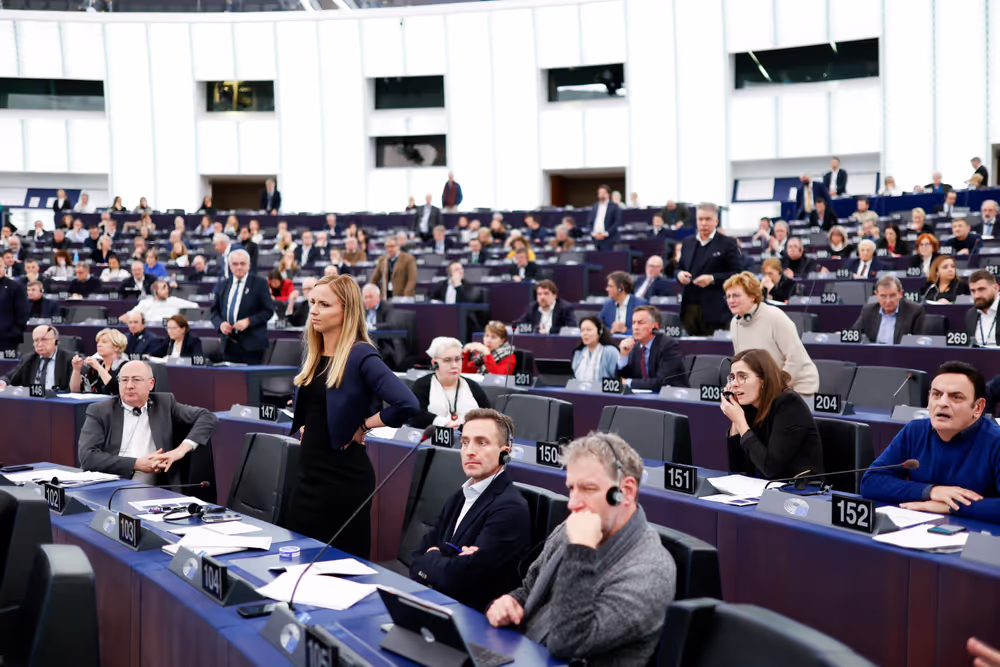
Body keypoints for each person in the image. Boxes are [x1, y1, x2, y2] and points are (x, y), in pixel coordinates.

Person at [486, 433, 675, 666]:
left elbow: (568, 642)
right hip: (524, 653)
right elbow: (529, 588)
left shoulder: (651, 572)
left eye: (587, 489)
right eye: (571, 488)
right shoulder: (570, 528)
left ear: (625, 492)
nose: (572, 503)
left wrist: (580, 552)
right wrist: (511, 603)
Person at [287, 275, 418, 557]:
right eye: (312, 302)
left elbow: (407, 403)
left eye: (324, 304)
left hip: (343, 482)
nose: (314, 310)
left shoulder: (361, 354)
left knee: (341, 574)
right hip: (307, 476)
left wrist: (363, 425)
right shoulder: (314, 352)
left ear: (346, 310)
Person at [410, 408, 529, 612]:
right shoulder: (458, 497)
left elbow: (460, 580)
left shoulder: (510, 508)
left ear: (504, 454)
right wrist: (448, 562)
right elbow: (415, 560)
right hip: (438, 606)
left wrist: (434, 557)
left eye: (481, 442)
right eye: (465, 442)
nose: (469, 451)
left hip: (474, 621)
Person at [861, 361, 1000, 522]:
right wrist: (931, 491)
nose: (942, 403)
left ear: (977, 408)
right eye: (936, 394)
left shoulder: (995, 442)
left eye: (956, 397)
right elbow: (871, 481)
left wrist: (951, 507)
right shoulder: (914, 431)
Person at [77, 360, 218, 484]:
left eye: (136, 380)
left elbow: (208, 417)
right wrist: (136, 464)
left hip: (157, 489)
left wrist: (180, 451)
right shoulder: (100, 410)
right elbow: (87, 457)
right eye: (124, 380)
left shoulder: (165, 404)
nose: (129, 386)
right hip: (111, 486)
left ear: (151, 384)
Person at [721, 348, 824, 480]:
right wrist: (735, 419)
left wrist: (741, 422)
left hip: (799, 491)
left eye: (742, 377)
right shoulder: (750, 407)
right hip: (766, 489)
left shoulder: (788, 404)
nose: (734, 384)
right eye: (732, 377)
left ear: (763, 378)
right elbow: (737, 468)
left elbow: (771, 469)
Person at [725, 272, 819, 395]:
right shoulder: (735, 323)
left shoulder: (774, 316)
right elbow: (741, 364)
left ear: (752, 296)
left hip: (796, 387)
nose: (731, 300)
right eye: (728, 296)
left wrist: (775, 387)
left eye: (736, 295)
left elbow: (795, 359)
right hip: (765, 390)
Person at [676, 203, 741, 336]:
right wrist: (679, 275)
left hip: (716, 310)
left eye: (708, 219)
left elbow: (737, 274)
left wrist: (712, 279)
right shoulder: (687, 243)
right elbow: (679, 268)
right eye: (700, 219)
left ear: (716, 221)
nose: (703, 223)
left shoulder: (728, 243)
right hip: (689, 308)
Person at [409, 338, 491, 429]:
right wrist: (444, 423)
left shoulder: (473, 386)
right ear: (434, 363)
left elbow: (489, 417)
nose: (454, 365)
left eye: (458, 359)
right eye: (447, 360)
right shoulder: (422, 386)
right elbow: (415, 415)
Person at [210, 249, 273, 364]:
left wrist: (248, 321)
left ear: (249, 265)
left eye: (242, 264)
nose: (239, 267)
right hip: (229, 344)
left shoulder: (260, 283)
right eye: (235, 264)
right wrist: (220, 324)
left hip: (253, 345)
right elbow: (214, 311)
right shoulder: (223, 284)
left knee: (250, 381)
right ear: (230, 266)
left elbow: (268, 311)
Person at [616, 305, 686, 390]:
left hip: (674, 398)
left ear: (655, 326)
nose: (636, 327)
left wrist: (628, 382)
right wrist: (623, 356)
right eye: (633, 323)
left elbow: (662, 382)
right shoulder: (635, 347)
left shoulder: (668, 345)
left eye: (640, 322)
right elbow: (621, 378)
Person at [851, 275, 926, 344]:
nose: (888, 301)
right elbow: (854, 335)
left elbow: (919, 343)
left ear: (900, 294)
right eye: (883, 296)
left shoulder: (914, 311)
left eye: (892, 295)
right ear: (876, 295)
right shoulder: (868, 310)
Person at [0, 325, 73, 391]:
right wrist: (3, 382)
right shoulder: (29, 359)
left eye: (44, 339)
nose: (40, 344)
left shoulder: (68, 359)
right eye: (36, 340)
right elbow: (9, 377)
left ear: (56, 341)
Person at [70, 328, 127, 394]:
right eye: (98, 342)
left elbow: (115, 390)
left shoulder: (125, 366)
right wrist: (76, 370)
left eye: (104, 342)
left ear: (116, 347)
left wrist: (98, 367)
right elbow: (75, 390)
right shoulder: (95, 366)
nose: (98, 345)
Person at [124, 280, 198, 324]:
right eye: (163, 288)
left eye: (167, 288)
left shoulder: (174, 300)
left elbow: (196, 306)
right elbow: (126, 317)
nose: (167, 290)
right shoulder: (145, 303)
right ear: (155, 291)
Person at [572, 316, 619, 382]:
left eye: (589, 330)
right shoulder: (578, 353)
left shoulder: (610, 352)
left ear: (599, 332)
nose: (585, 333)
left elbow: (617, 378)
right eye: (582, 330)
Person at [600, 271, 647, 336]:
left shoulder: (640, 304)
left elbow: (645, 329)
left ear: (621, 289)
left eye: (610, 286)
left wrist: (625, 330)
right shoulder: (608, 305)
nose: (607, 289)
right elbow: (598, 327)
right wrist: (611, 330)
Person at [966, 270, 1000, 348]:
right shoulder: (971, 314)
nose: (977, 295)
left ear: (996, 288)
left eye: (981, 289)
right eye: (973, 291)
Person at [0, 264, 28, 352]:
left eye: (0, 266)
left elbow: (22, 313)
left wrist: (15, 332)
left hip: (7, 339)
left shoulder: (15, 286)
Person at [587, 185, 622, 250]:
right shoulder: (595, 206)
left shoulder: (614, 206)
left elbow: (617, 222)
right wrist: (593, 233)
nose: (601, 195)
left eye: (603, 193)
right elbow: (589, 222)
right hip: (595, 239)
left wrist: (606, 233)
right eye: (600, 193)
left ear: (608, 194)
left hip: (609, 240)